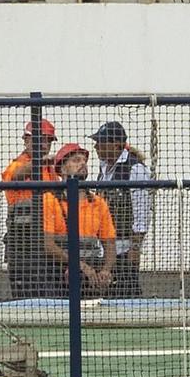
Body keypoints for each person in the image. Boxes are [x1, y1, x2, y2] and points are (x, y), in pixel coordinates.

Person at [39, 143, 116, 298]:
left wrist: (106, 270)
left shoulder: (98, 202)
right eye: (75, 160)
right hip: (59, 270)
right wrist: (79, 265)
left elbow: (109, 242)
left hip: (92, 267)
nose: (82, 164)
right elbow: (49, 245)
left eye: (84, 161)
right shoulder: (50, 200)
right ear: (62, 169)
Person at [92, 122, 151, 300]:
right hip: (104, 247)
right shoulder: (104, 169)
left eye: (100, 142)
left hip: (124, 247)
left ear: (116, 144)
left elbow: (142, 211)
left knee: (126, 290)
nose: (96, 147)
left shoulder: (135, 170)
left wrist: (135, 246)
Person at [4, 120, 58, 297]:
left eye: (48, 141)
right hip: (22, 241)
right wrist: (41, 162)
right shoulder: (17, 165)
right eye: (40, 140)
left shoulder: (50, 169)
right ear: (26, 140)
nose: (45, 145)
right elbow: (16, 175)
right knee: (25, 293)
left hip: (48, 239)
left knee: (49, 291)